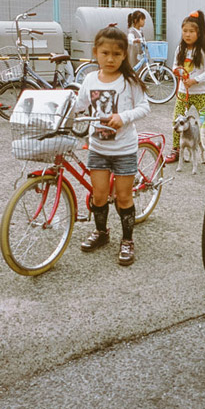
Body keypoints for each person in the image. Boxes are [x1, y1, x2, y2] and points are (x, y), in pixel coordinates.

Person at [74, 25, 151, 266]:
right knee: (98, 196)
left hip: (124, 149)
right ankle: (102, 233)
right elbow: (78, 105)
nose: (110, 58)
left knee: (123, 198)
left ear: (124, 55)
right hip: (98, 147)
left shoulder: (129, 81)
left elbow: (144, 107)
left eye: (117, 54)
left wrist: (123, 117)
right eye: (105, 53)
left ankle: (127, 240)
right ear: (95, 52)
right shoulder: (88, 79)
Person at [164, 10, 205, 166]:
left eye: (191, 31)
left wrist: (195, 80)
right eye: (185, 31)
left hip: (201, 93)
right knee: (176, 121)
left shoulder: (204, 51)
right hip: (183, 93)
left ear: (198, 33)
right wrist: (179, 73)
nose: (187, 34)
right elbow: (174, 66)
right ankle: (176, 150)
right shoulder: (180, 49)